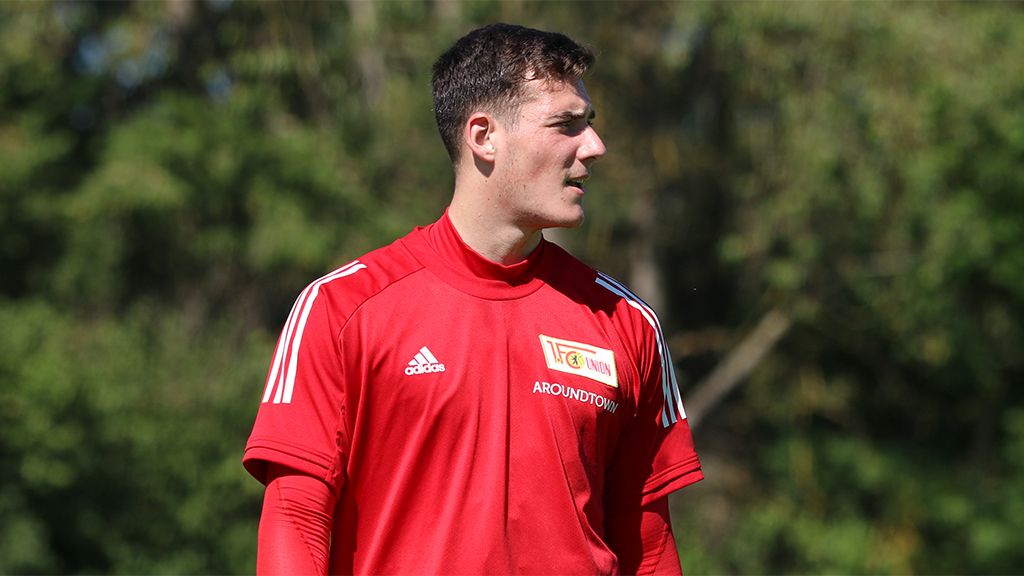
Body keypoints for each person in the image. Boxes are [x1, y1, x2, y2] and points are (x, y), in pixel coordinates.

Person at [243, 23, 703, 575]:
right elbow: (295, 519)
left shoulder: (627, 322)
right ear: (483, 136)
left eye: (591, 125)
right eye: (567, 125)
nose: (595, 147)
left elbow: (649, 546)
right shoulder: (342, 307)